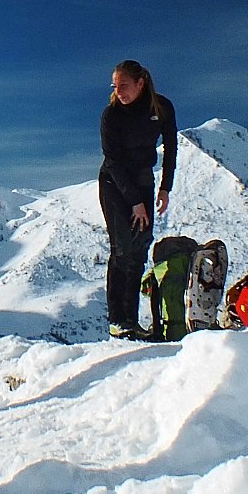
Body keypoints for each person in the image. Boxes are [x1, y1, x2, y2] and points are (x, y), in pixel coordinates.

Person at [99, 59, 177, 340]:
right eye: (115, 86)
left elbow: (171, 148)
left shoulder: (162, 108)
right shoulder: (111, 115)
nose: (119, 91)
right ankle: (117, 321)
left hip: (143, 180)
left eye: (124, 85)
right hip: (114, 183)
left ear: (140, 83)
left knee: (139, 250)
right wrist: (134, 201)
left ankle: (132, 320)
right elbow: (112, 161)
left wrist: (165, 187)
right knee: (122, 249)